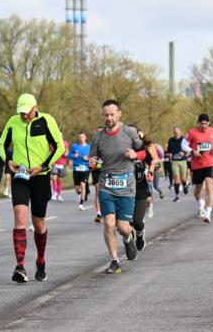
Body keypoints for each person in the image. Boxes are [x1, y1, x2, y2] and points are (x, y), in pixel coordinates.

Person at [0, 94, 65, 283]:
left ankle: (41, 260)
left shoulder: (46, 120)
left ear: (35, 107)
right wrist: (8, 160)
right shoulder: (13, 122)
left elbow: (59, 147)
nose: (24, 116)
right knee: (20, 219)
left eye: (27, 112)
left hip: (40, 177)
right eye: (21, 112)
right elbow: (2, 144)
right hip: (20, 175)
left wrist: (43, 166)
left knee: (38, 224)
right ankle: (20, 266)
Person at [89, 100, 143, 274]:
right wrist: (92, 163)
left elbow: (146, 152)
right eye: (106, 115)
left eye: (112, 114)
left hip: (126, 186)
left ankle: (128, 239)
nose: (109, 118)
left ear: (119, 113)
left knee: (123, 227)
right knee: (109, 223)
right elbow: (93, 161)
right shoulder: (98, 137)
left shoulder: (129, 132)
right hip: (106, 185)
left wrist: (136, 154)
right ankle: (114, 260)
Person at [181, 113, 213, 223]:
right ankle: (201, 203)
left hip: (210, 162)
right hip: (197, 164)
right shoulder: (192, 132)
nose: (204, 126)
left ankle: (208, 214)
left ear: (208, 123)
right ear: (198, 123)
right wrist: (192, 151)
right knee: (198, 190)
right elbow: (183, 145)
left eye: (206, 124)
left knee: (210, 187)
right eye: (202, 124)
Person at [131, 132, 160, 252]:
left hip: (140, 186)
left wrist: (151, 171)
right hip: (123, 189)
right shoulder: (120, 149)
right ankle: (128, 240)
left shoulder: (142, 150)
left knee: (137, 222)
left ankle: (139, 234)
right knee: (124, 224)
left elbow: (153, 161)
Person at [68, 132, 91, 210]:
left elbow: (93, 157)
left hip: (85, 168)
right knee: (77, 187)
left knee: (83, 184)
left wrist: (88, 158)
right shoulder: (74, 146)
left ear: (85, 138)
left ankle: (81, 203)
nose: (81, 139)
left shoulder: (89, 147)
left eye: (82, 137)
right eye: (79, 137)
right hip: (76, 168)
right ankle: (79, 193)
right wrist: (73, 156)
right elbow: (69, 155)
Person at [166, 126, 189, 201]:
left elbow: (189, 149)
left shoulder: (184, 140)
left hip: (183, 161)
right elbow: (168, 150)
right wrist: (169, 154)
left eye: (177, 131)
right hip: (175, 161)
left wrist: (184, 153)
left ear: (180, 132)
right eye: (175, 131)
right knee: (176, 179)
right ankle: (177, 196)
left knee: (183, 178)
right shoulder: (171, 140)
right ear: (173, 132)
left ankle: (185, 185)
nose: (176, 132)